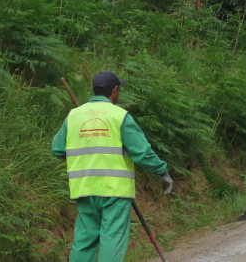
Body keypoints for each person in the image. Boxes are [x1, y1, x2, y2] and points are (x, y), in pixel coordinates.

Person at [52, 71, 173, 262]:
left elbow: (58, 150)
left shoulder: (74, 116)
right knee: (112, 240)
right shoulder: (120, 116)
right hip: (114, 192)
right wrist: (162, 171)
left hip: (84, 188)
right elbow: (142, 152)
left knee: (84, 241)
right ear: (115, 90)